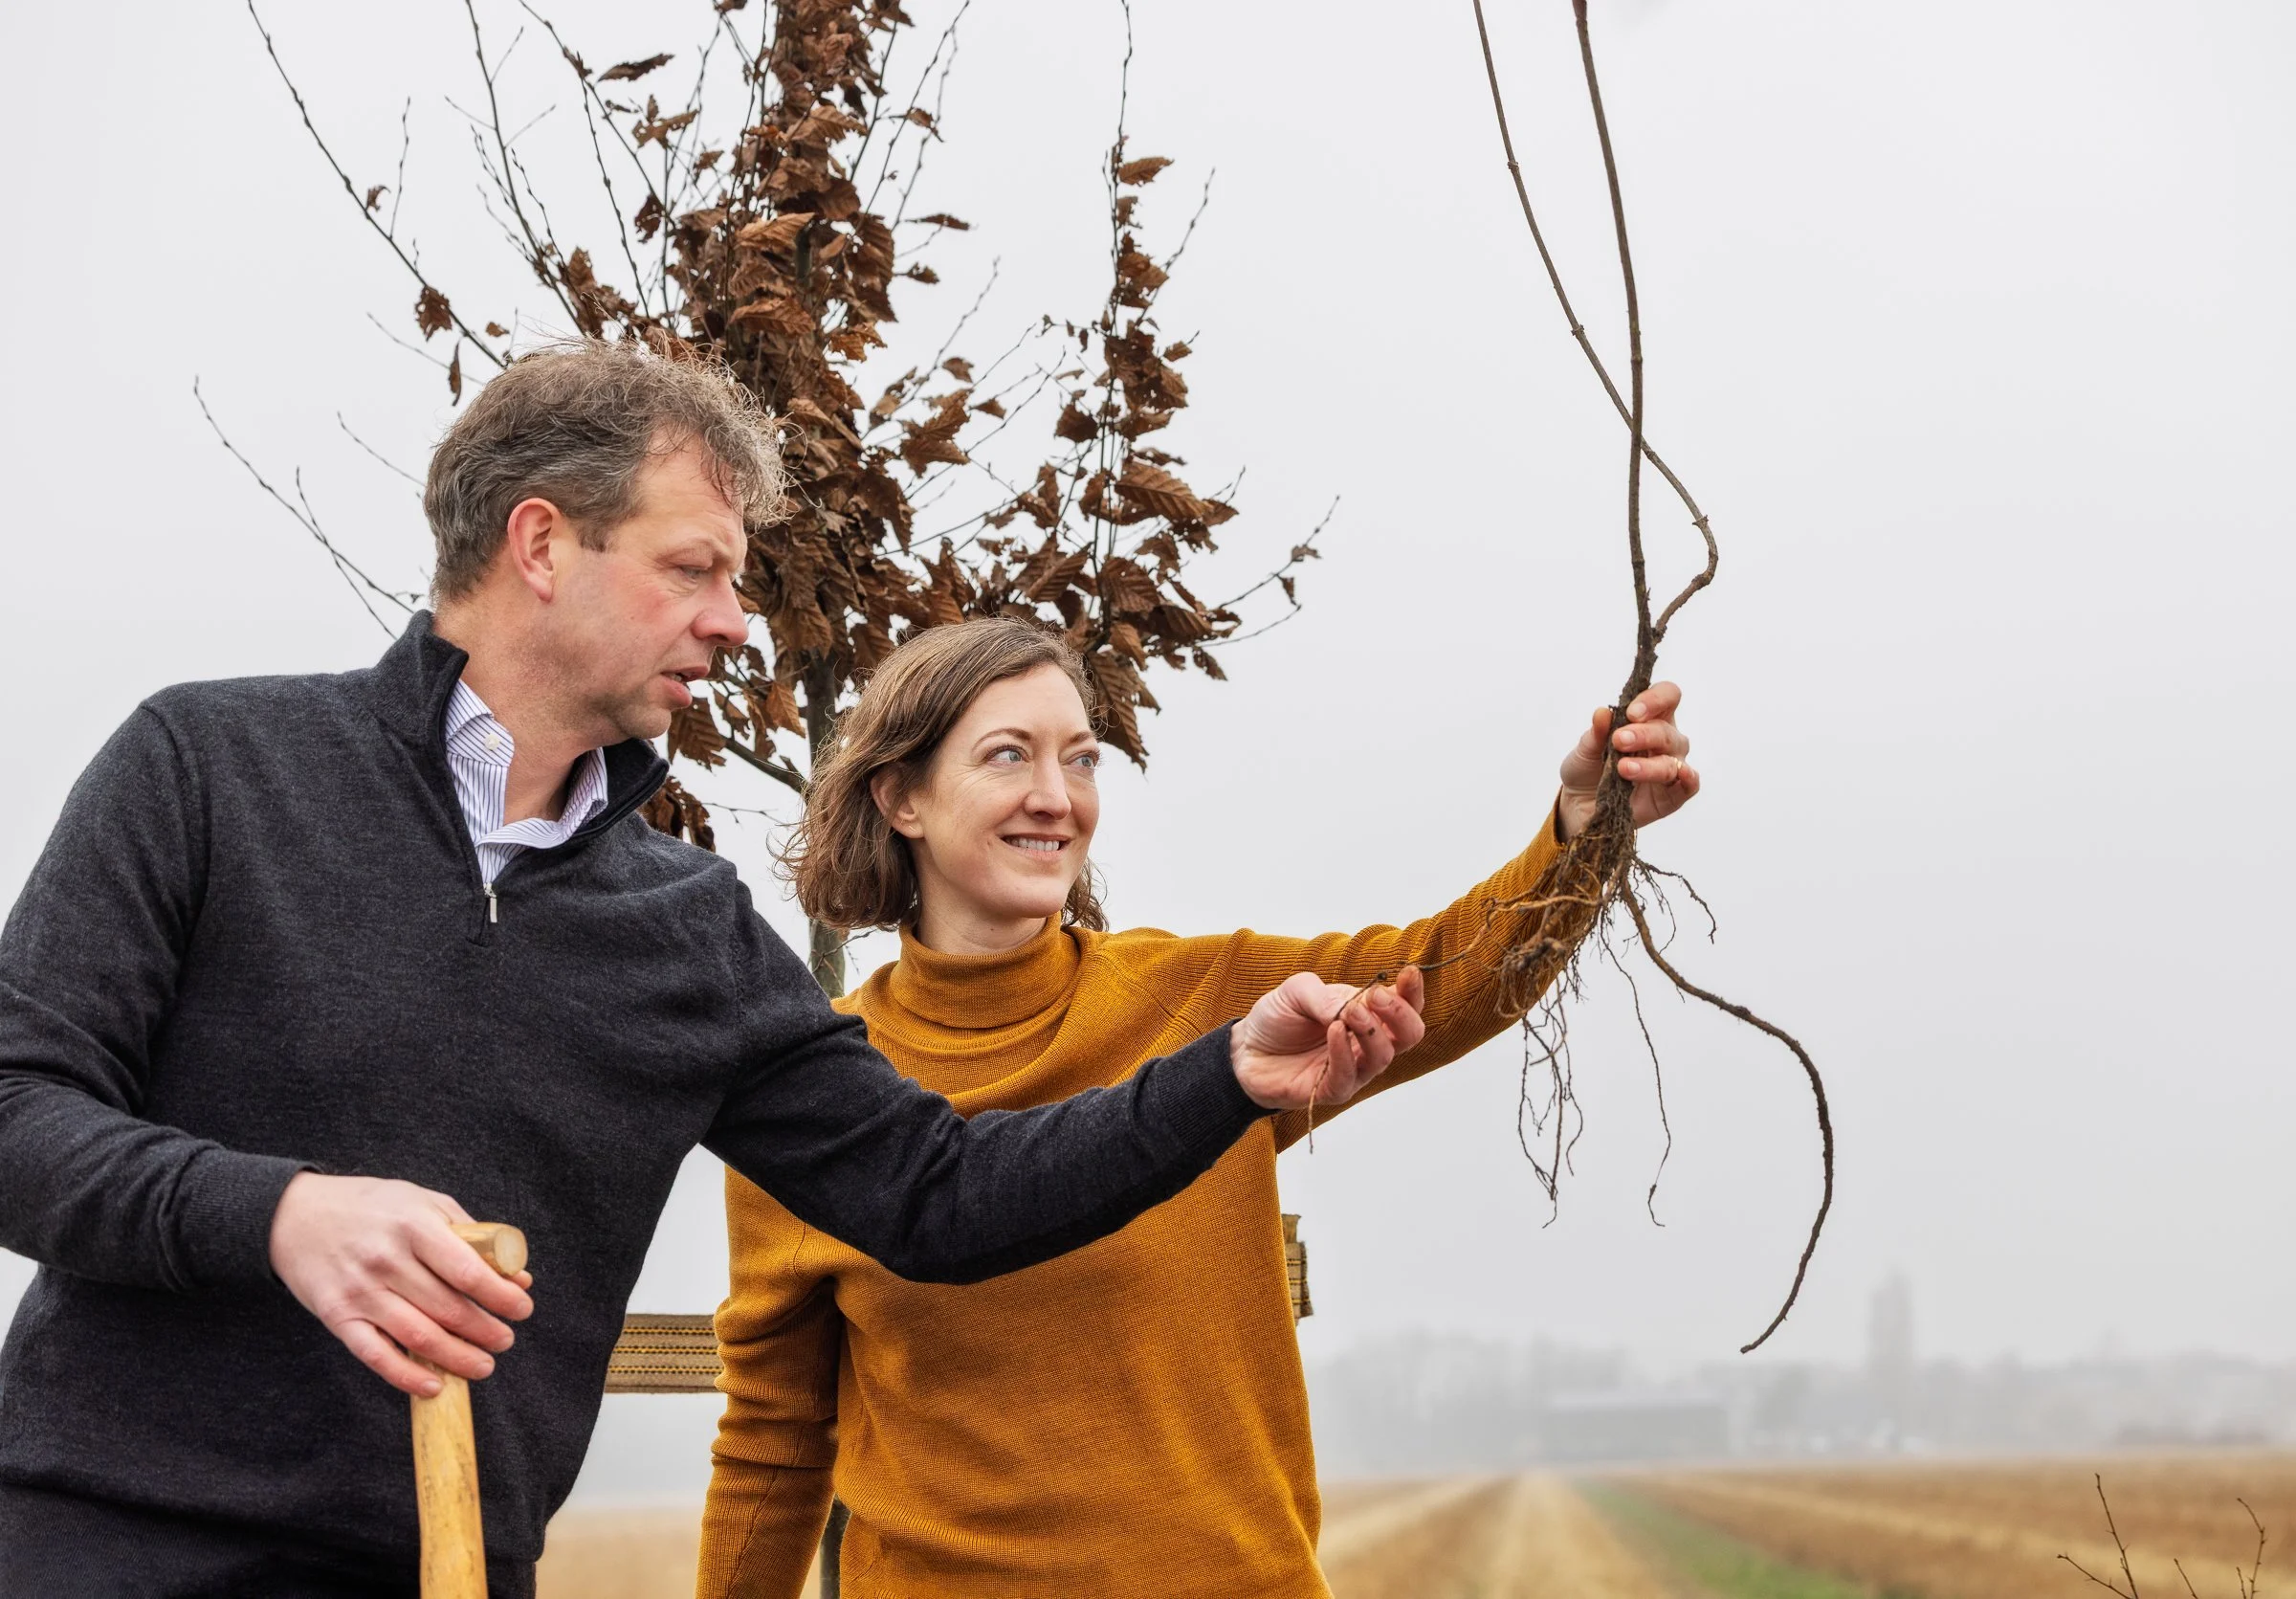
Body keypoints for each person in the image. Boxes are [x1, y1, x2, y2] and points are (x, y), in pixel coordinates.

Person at [0, 342, 1428, 1598]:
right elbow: (16, 1108)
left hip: (446, 1569)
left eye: (734, 581)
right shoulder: (207, 767)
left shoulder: (689, 927)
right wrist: (280, 1211)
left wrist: (1223, 1077)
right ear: (542, 544)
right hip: (98, 1542)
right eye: (692, 569)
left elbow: (939, 1195)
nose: (734, 621)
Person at [696, 618, 1699, 1597]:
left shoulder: (1201, 1005)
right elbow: (775, 1446)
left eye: (1080, 760)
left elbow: (1446, 975)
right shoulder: (821, 1093)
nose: (1057, 798)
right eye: (1009, 756)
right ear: (899, 797)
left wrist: (1582, 827)